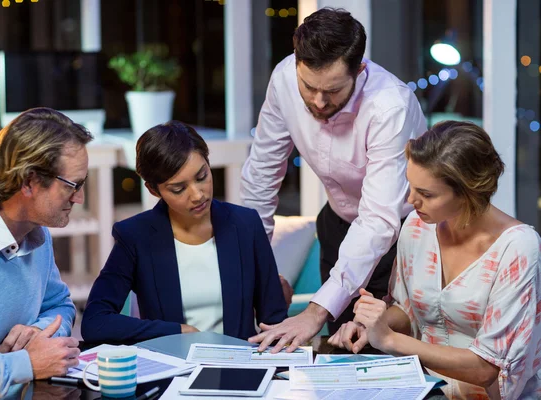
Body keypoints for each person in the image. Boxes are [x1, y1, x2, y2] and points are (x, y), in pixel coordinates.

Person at [243, 7, 427, 352]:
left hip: (401, 239)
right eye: (309, 86)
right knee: (338, 356)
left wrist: (314, 311)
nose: (318, 101)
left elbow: (377, 221)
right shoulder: (284, 78)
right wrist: (260, 270)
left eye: (333, 90)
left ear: (359, 70)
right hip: (338, 224)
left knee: (383, 357)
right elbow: (262, 175)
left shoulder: (390, 106)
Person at [329, 121, 541, 399]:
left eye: (426, 194)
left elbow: (487, 368)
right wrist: (373, 325)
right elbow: (408, 312)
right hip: (423, 391)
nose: (411, 200)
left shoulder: (517, 247)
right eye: (411, 186)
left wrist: (390, 340)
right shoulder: (418, 227)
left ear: (468, 192)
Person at [81, 121, 287, 343]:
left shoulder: (246, 224)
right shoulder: (135, 236)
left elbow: (273, 322)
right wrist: (176, 332)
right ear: (153, 189)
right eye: (178, 189)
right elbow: (95, 322)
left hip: (238, 368)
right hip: (172, 369)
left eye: (202, 177)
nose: (198, 195)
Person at [0, 107, 92, 398]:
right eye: (73, 185)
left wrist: (39, 333)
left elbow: (60, 306)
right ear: (29, 182)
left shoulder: (36, 232)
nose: (79, 198)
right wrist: (25, 363)